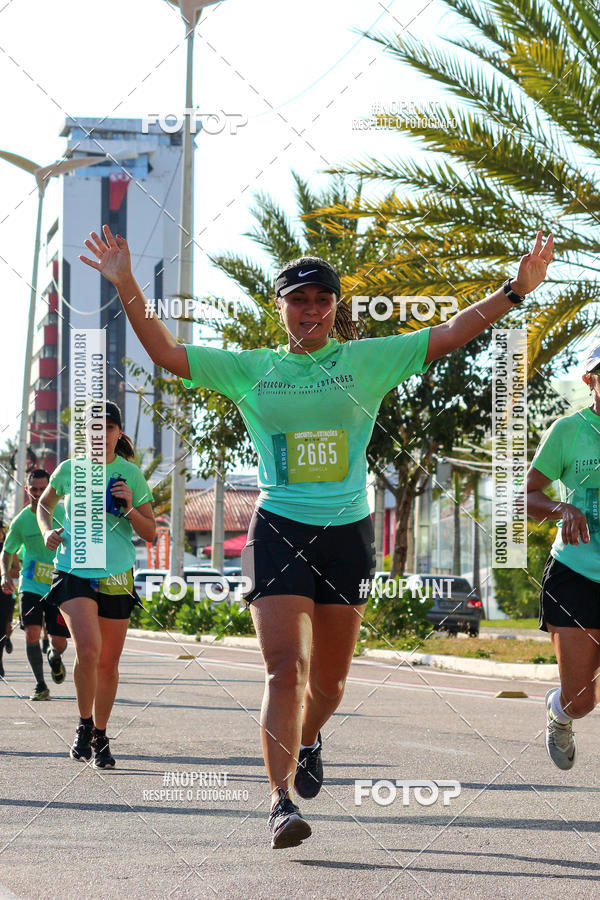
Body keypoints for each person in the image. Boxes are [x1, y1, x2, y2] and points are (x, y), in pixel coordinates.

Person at [80, 224, 553, 847]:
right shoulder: (251, 370)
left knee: (329, 684)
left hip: (347, 533)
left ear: (334, 308)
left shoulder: (366, 361)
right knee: (285, 669)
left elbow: (451, 331)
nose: (310, 308)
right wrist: (127, 281)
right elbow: (167, 352)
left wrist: (514, 292)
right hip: (277, 529)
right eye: (298, 299)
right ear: (280, 307)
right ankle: (279, 804)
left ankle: (309, 737)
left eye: (321, 299)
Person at [37, 401, 155, 768]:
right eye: (91, 428)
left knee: (108, 663)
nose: (98, 434)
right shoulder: (69, 469)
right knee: (88, 651)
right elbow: (44, 505)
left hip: (117, 572)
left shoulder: (130, 474)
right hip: (73, 567)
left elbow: (151, 533)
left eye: (106, 428)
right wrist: (46, 532)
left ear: (118, 433)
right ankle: (83, 725)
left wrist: (130, 507)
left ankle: (101, 735)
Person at [526, 343, 600, 770]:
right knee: (581, 698)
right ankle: (560, 713)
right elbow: (526, 495)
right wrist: (562, 509)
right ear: (590, 381)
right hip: (575, 573)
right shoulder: (568, 431)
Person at [1, 470, 69, 699]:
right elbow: (7, 551)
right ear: (27, 489)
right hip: (31, 585)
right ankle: (40, 685)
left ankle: (54, 656)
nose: (38, 494)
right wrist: (4, 575)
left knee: (59, 641)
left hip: (59, 584)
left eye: (43, 489)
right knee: (32, 631)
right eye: (34, 489)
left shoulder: (63, 513)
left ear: (51, 489)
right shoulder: (20, 521)